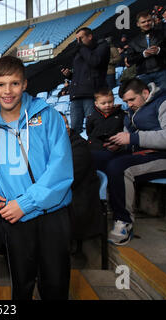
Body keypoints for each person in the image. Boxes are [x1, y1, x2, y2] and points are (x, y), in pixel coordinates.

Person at [0, 56, 73, 299]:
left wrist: (26, 203)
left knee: (55, 286)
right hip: (13, 218)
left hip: (52, 214)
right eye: (1, 84)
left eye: (14, 83)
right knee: (21, 285)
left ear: (25, 84)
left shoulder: (48, 116)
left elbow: (60, 170)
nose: (8, 91)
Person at [103, 78, 166, 246]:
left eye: (132, 99)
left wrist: (133, 138)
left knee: (119, 167)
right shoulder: (133, 112)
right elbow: (133, 140)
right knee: (99, 158)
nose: (129, 104)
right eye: (126, 101)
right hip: (148, 154)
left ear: (146, 93)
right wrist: (119, 146)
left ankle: (123, 221)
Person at [60, 112, 103, 269]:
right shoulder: (51, 145)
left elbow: (67, 178)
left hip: (78, 202)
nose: (65, 127)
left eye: (66, 123)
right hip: (65, 197)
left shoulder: (78, 145)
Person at [61, 27, 110, 134]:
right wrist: (70, 75)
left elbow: (95, 62)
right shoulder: (80, 52)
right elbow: (80, 74)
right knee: (74, 129)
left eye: (81, 38)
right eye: (77, 39)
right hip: (76, 94)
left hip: (91, 94)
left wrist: (82, 48)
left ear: (90, 36)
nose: (78, 42)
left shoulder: (102, 46)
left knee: (93, 127)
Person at [125, 11, 166, 91]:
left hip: (162, 72)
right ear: (138, 24)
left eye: (149, 21)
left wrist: (159, 50)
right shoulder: (133, 41)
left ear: (152, 21)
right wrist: (144, 54)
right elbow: (130, 60)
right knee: (147, 101)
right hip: (143, 75)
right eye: (143, 22)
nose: (146, 23)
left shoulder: (163, 33)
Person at [86, 88, 125, 169]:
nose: (107, 105)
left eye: (110, 102)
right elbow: (89, 132)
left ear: (114, 100)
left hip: (116, 149)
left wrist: (118, 145)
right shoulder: (91, 117)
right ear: (96, 104)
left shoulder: (121, 114)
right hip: (96, 149)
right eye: (103, 103)